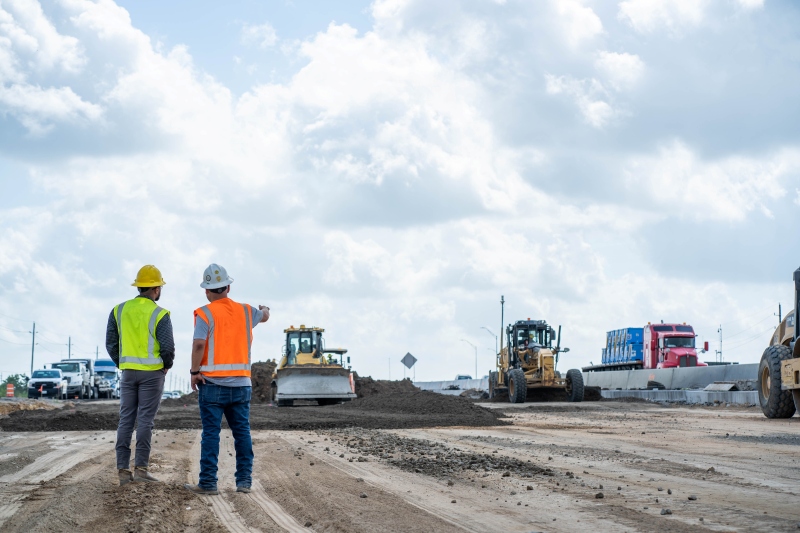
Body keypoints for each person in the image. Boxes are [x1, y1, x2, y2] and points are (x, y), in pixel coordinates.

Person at [184, 264, 270, 495]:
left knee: (211, 433)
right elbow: (265, 316)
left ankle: (209, 483)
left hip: (212, 384)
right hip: (241, 384)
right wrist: (265, 308)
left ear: (206, 291)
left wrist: (194, 371)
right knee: (242, 432)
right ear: (228, 287)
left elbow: (199, 344)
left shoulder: (205, 313)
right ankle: (244, 482)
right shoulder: (246, 311)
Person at [106, 264, 174, 486]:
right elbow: (167, 347)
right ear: (155, 289)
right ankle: (142, 470)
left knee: (126, 420)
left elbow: (111, 343)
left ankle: (123, 472)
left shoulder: (118, 310)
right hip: (152, 375)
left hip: (128, 374)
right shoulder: (160, 313)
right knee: (145, 420)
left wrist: (122, 363)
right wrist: (166, 365)